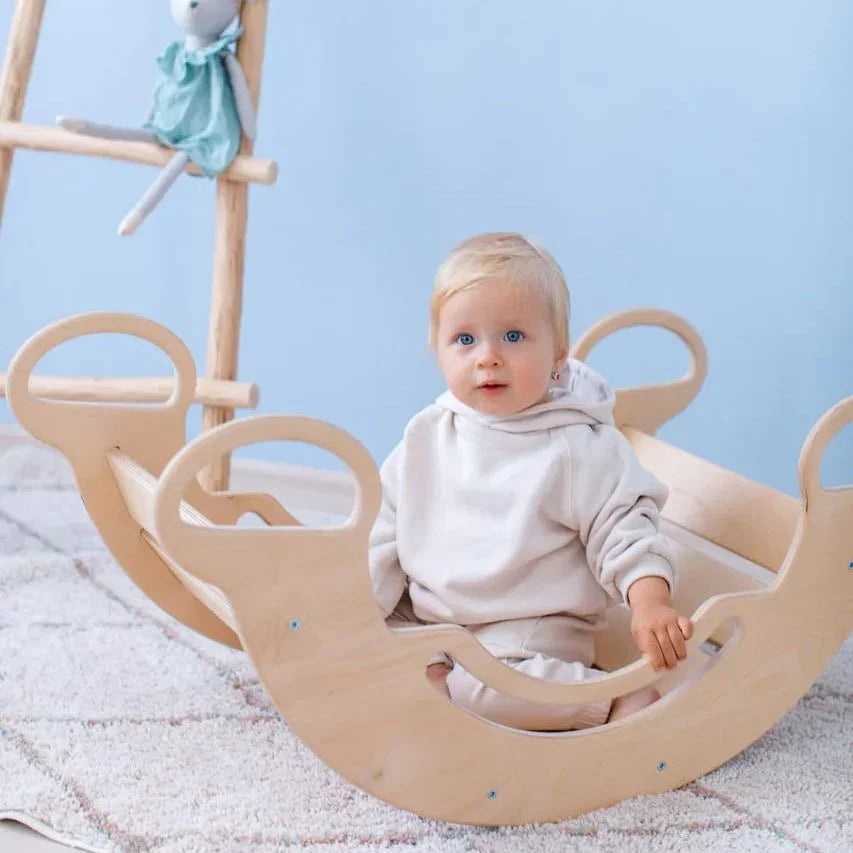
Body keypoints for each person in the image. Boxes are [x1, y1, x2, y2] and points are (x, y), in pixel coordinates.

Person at [369, 232, 693, 730]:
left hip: (526, 630)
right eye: (465, 339)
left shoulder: (575, 444)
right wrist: (351, 611)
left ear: (558, 352)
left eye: (514, 337)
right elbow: (385, 532)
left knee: (481, 688)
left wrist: (650, 601)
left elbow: (626, 526)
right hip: (432, 615)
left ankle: (609, 702)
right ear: (437, 348)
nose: (488, 357)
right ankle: (434, 679)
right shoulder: (426, 435)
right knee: (370, 659)